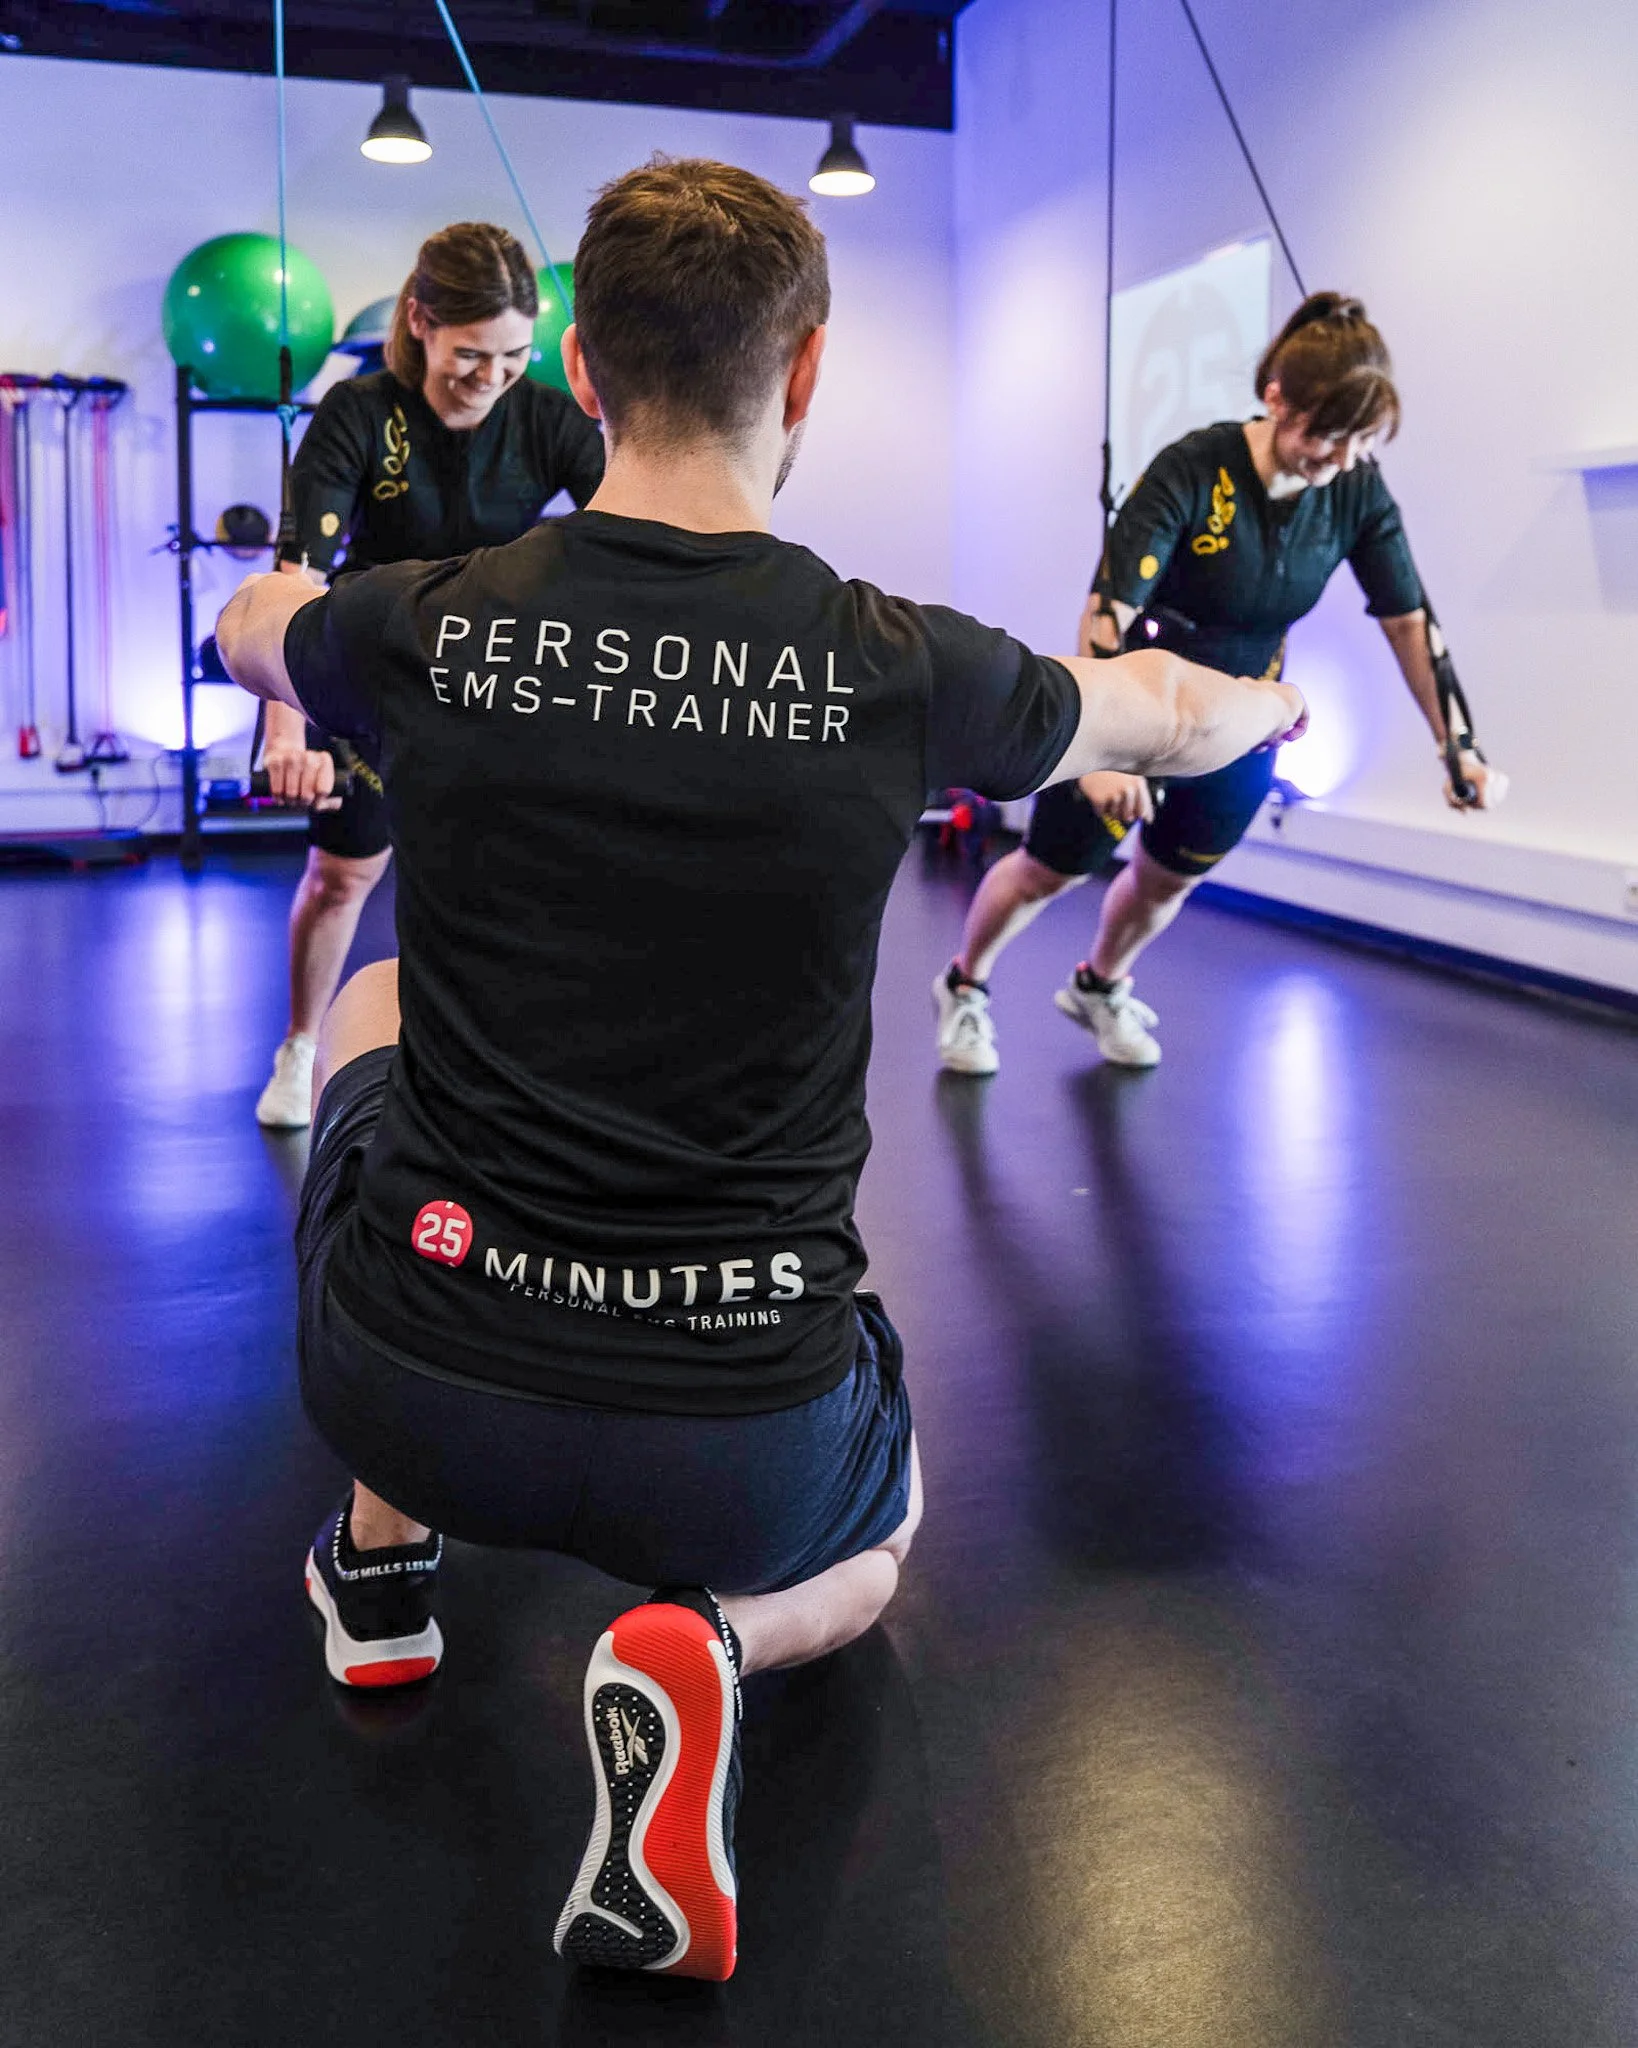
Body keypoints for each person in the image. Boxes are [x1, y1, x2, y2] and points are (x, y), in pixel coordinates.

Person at [217, 157, 1306, 1981]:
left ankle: (385, 1562)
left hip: (410, 1376)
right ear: (804, 373)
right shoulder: (903, 666)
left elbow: (256, 624)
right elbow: (1177, 709)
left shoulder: (425, 619)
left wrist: (269, 615)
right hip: (740, 1438)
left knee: (378, 994)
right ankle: (705, 1647)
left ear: (579, 364)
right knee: (882, 1534)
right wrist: (1275, 699)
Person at [933, 292, 1509, 1077]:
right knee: (1048, 871)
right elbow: (1108, 611)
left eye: (1360, 442)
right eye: (1328, 435)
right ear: (1276, 398)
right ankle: (965, 984)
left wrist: (1457, 745)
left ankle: (1100, 985)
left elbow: (1410, 623)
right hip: (1138, 711)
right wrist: (1101, 753)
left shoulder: (1356, 491)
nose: (1342, 459)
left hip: (1242, 724)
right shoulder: (1194, 467)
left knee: (1167, 882)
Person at [253, 221, 605, 1128]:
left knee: (505, 879)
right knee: (343, 876)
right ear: (420, 321)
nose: (491, 376)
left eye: (514, 355)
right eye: (470, 354)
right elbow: (296, 578)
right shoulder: (358, 414)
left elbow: (633, 530)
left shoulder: (544, 418)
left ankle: (494, 1063)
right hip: (368, 674)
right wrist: (285, 731)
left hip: (487, 677)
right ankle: (301, 1046)